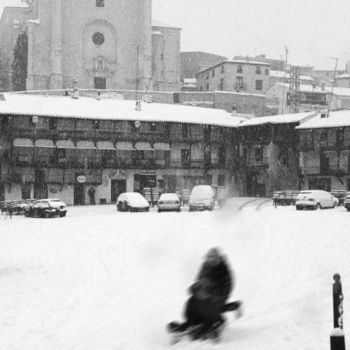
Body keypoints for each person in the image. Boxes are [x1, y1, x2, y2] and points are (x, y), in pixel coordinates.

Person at [168, 248, 240, 341]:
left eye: (213, 259)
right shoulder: (205, 265)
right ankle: (191, 324)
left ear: (218, 259)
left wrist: (219, 296)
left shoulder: (223, 269)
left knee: (210, 306)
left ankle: (214, 325)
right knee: (192, 301)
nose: (210, 261)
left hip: (217, 295)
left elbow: (227, 285)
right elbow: (199, 279)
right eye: (208, 259)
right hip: (204, 292)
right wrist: (196, 289)